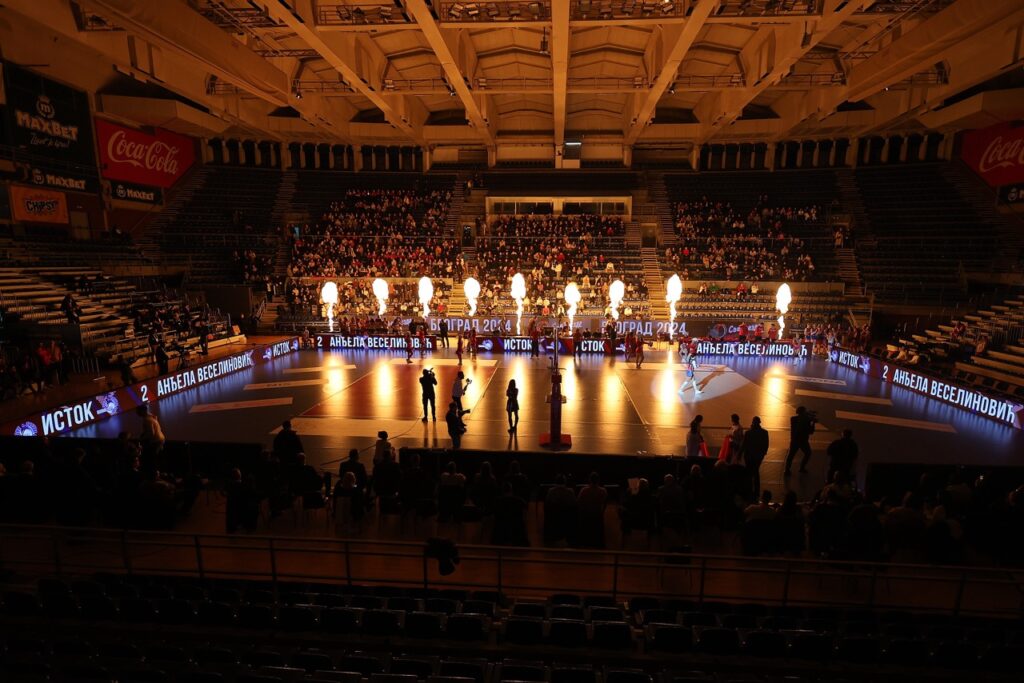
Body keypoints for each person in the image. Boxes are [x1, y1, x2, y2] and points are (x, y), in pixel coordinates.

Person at [740, 416, 770, 499]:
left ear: (752, 422)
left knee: (749, 473)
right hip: (758, 456)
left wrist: (739, 454)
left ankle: (749, 489)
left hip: (749, 456)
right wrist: (763, 454)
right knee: (756, 472)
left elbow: (744, 445)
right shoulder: (764, 432)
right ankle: (756, 491)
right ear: (759, 422)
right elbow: (766, 444)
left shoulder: (748, 432)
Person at [576, 472, 608, 548]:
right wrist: (602, 512)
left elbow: (579, 502)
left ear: (589, 480)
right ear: (598, 480)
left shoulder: (584, 490)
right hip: (597, 514)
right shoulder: (603, 491)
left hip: (586, 515)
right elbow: (605, 503)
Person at [785, 406, 815, 475]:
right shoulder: (806, 420)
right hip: (803, 441)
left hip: (795, 440)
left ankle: (787, 470)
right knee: (807, 453)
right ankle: (801, 468)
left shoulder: (793, 419)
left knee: (791, 455)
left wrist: (809, 419)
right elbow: (811, 431)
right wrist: (812, 422)